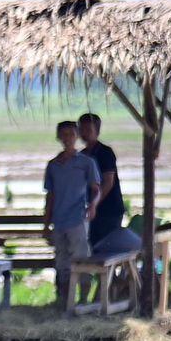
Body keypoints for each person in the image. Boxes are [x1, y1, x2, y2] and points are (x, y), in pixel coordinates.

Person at [42, 121, 103, 313]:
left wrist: (93, 205)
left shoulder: (86, 162)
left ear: (76, 136)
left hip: (78, 218)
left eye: (71, 134)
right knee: (62, 261)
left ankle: (84, 301)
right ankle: (66, 302)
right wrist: (46, 224)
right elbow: (50, 196)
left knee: (82, 260)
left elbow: (96, 189)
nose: (67, 138)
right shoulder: (53, 165)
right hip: (58, 220)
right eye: (64, 134)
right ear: (59, 137)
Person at [78, 113, 125, 249]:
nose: (84, 133)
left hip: (109, 210)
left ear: (97, 131)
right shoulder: (81, 155)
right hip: (91, 210)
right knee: (92, 247)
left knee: (107, 248)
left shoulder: (105, 152)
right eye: (82, 130)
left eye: (88, 130)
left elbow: (108, 182)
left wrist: (94, 204)